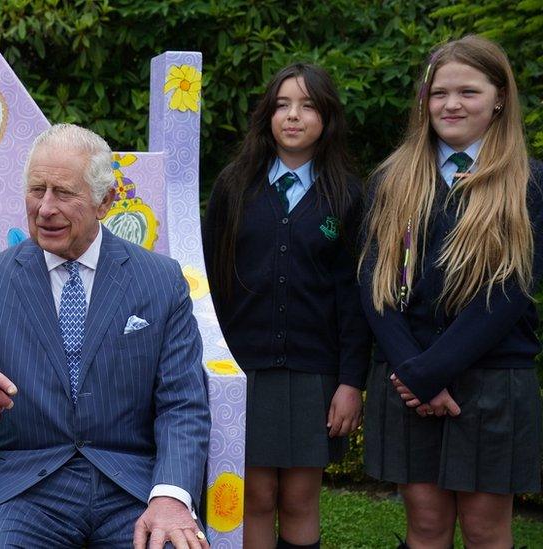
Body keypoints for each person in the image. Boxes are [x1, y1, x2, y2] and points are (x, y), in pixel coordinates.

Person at [0, 123, 211, 548]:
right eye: (36, 190)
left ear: (104, 202)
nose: (44, 208)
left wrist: (171, 496)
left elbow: (183, 403)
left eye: (63, 193)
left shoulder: (160, 281)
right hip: (23, 489)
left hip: (132, 485)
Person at [360, 35, 543, 548]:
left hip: (490, 382)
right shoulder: (393, 180)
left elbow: (506, 295)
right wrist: (413, 372)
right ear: (425, 99)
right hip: (409, 376)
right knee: (425, 526)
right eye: (440, 93)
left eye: (468, 91)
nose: (452, 104)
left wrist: (429, 373)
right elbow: (373, 283)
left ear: (499, 97)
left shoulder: (528, 184)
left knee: (487, 530)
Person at [202, 64, 370, 549]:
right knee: (253, 495)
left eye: (308, 105)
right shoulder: (234, 187)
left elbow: (356, 300)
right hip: (241, 370)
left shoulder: (349, 196)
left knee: (299, 497)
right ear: (267, 115)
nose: (293, 116)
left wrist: (351, 382)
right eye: (282, 105)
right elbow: (206, 283)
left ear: (328, 118)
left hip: (315, 373)